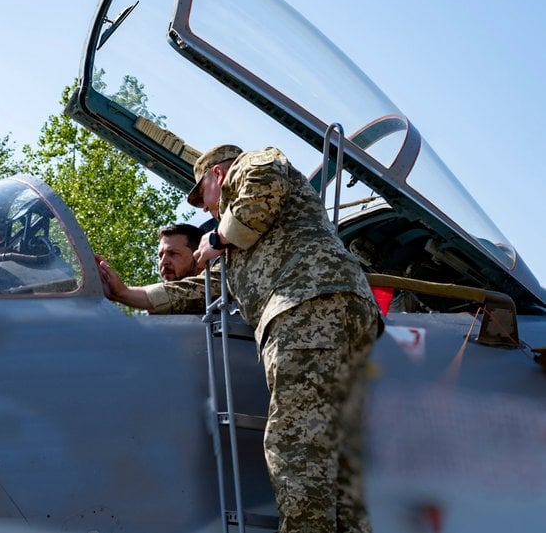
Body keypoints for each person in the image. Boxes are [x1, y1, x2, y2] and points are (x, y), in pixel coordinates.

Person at [98, 144, 379, 533]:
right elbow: (197, 290)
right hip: (333, 312)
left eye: (204, 196)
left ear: (218, 175)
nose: (205, 210)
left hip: (306, 306)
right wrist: (126, 293)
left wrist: (218, 237)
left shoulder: (254, 163)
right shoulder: (251, 245)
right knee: (338, 456)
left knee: (295, 445)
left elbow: (261, 190)